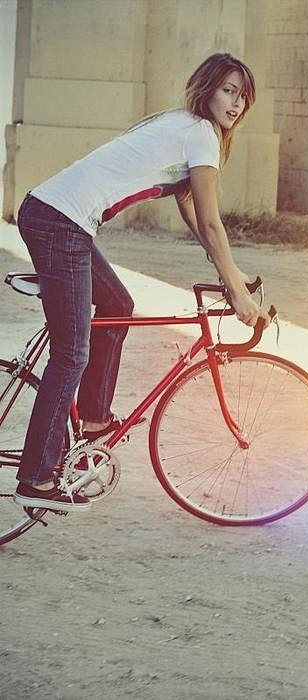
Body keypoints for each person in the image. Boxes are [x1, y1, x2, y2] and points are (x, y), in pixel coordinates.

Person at [14, 52, 270, 513]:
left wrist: (229, 275)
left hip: (57, 216)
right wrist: (235, 289)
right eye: (229, 90)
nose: (236, 104)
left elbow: (193, 212)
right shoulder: (199, 134)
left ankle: (93, 421)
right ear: (207, 87)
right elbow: (212, 223)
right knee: (71, 354)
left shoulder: (184, 128)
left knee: (118, 304)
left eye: (244, 98)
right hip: (60, 223)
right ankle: (35, 477)